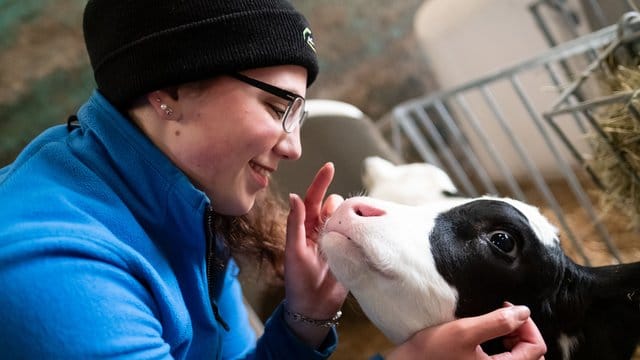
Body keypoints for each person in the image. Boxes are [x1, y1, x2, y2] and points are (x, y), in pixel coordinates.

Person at [0, 0, 547, 359]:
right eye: (275, 105)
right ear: (166, 90)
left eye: (300, 116)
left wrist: (303, 318)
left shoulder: (187, 201)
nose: (294, 146)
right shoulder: (54, 269)